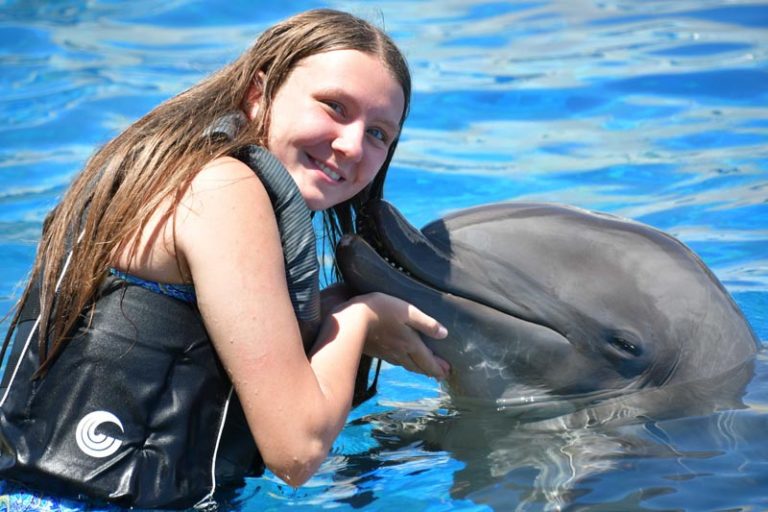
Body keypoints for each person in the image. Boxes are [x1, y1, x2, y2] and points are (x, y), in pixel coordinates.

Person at [0, 8, 449, 510]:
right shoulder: (226, 190)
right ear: (259, 96)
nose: (351, 145)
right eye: (334, 107)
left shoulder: (178, 170)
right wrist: (361, 319)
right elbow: (297, 451)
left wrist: (333, 310)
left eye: (378, 134)